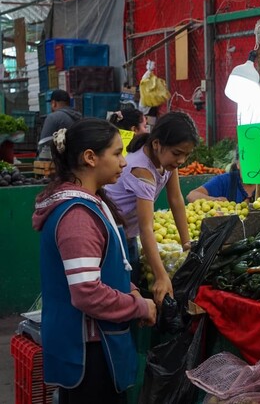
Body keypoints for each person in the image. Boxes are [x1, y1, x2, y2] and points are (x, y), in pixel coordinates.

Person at [32, 119, 156, 403]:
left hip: (100, 346)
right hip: (90, 354)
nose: (124, 162)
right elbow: (87, 293)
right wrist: (139, 305)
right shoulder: (78, 215)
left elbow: (105, 269)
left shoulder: (92, 202)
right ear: (90, 157)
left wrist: (132, 289)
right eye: (116, 153)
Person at [105, 111, 198, 305]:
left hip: (128, 235)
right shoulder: (142, 171)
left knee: (131, 289)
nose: (181, 160)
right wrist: (161, 276)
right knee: (121, 297)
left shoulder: (166, 162)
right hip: (111, 236)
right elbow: (146, 227)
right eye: (177, 153)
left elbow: (176, 200)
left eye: (186, 155)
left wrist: (186, 243)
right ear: (157, 144)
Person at [186, 153, 260, 203]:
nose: (251, 168)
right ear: (238, 164)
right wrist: (214, 200)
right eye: (247, 162)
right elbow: (192, 195)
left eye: (256, 162)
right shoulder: (224, 181)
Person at [38, 89, 82, 156]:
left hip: (60, 163)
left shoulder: (53, 117)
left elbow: (43, 145)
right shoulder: (80, 117)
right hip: (77, 160)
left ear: (54, 103)